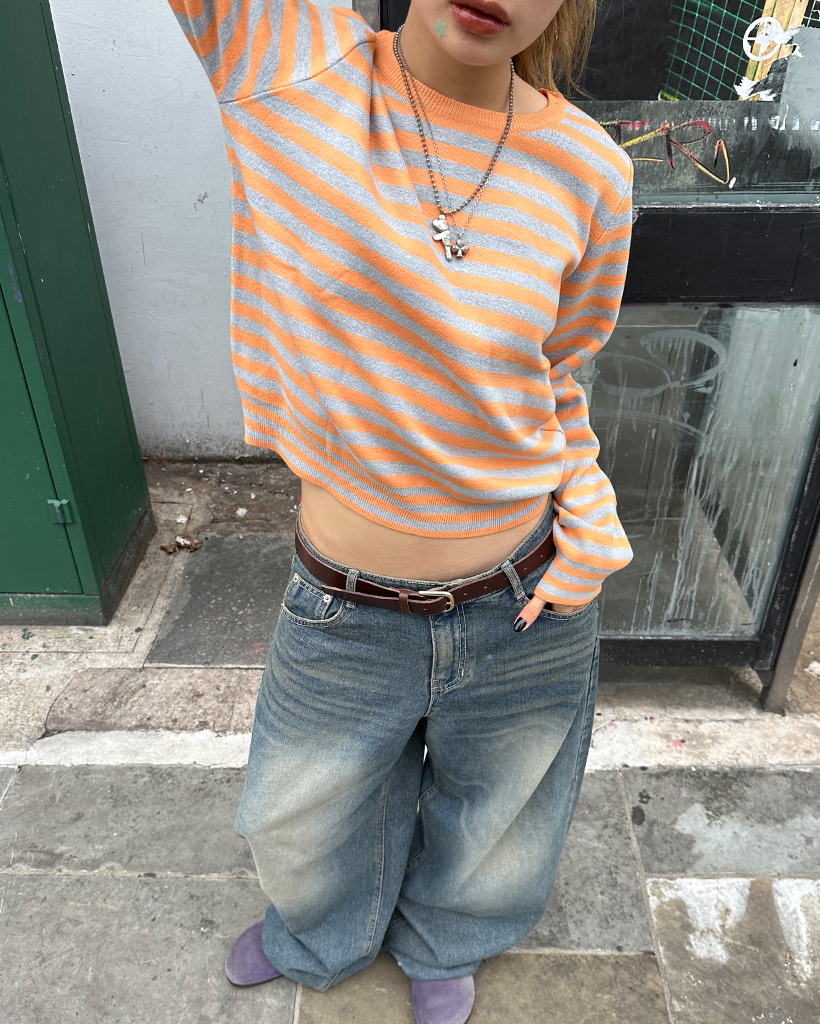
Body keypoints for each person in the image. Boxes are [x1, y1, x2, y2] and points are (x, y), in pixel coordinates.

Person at [166, 0, 633, 1020]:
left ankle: (447, 939)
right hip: (344, 606)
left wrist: (588, 521)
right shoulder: (286, 67)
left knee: (499, 813)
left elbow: (556, 374)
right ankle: (320, 931)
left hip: (525, 598)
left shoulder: (591, 171)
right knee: (300, 816)